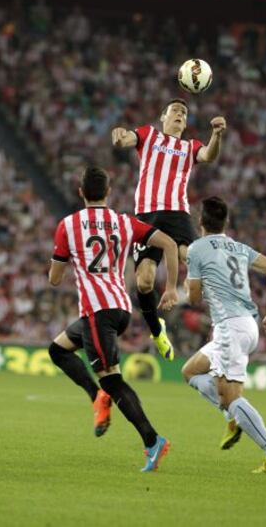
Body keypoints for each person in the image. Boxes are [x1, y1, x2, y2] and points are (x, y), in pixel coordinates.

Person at [48, 165, 178, 472]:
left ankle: (152, 440)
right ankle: (97, 397)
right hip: (120, 308)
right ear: (108, 192)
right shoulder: (124, 222)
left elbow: (55, 278)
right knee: (58, 349)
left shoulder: (68, 225)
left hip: (97, 311)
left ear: (80, 192)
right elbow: (170, 244)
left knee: (113, 380)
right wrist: (171, 287)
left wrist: (63, 261)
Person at [112, 99, 226, 361]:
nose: (179, 114)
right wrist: (118, 136)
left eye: (184, 113)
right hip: (147, 214)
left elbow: (209, 155)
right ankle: (157, 329)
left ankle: (215, 320)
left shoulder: (189, 146)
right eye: (175, 110)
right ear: (163, 117)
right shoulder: (148, 134)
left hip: (177, 212)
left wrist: (217, 135)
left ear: (185, 123)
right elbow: (125, 139)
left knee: (194, 258)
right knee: (145, 281)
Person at [182, 196, 266, 474]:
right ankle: (231, 415)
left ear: (201, 221)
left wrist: (187, 281)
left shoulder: (196, 248)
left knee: (231, 396)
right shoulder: (239, 247)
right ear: (225, 222)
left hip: (231, 327)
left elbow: (193, 298)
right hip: (246, 325)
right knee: (191, 371)